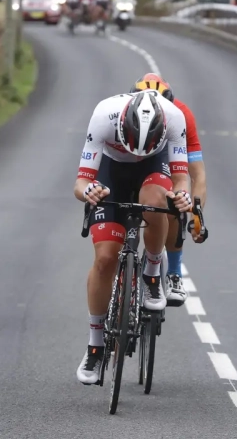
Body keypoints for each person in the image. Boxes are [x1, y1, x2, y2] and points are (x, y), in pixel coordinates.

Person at [74, 90, 192, 385]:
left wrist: (182, 195)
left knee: (157, 198)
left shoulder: (175, 118)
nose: (137, 153)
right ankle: (95, 344)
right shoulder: (103, 115)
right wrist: (89, 192)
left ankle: (153, 273)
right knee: (104, 260)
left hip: (154, 170)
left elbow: (181, 178)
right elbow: (82, 181)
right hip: (111, 171)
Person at [130, 73, 207, 306]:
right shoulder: (119, 112)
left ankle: (173, 273)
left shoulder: (182, 116)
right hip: (131, 155)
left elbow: (196, 174)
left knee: (173, 200)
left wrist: (196, 216)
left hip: (165, 157)